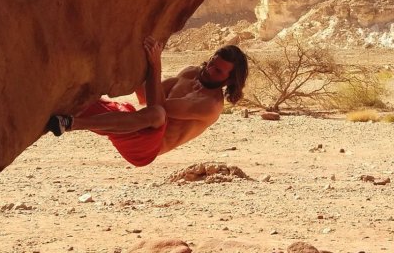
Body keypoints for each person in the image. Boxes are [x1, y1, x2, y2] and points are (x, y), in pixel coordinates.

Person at [44, 37, 248, 167]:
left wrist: (155, 64)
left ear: (229, 80)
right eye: (212, 62)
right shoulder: (191, 73)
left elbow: (157, 107)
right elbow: (145, 96)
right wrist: (133, 60)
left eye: (218, 70)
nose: (209, 69)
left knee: (158, 113)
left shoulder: (209, 105)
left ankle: (71, 124)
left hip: (147, 149)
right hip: (132, 124)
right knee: (79, 97)